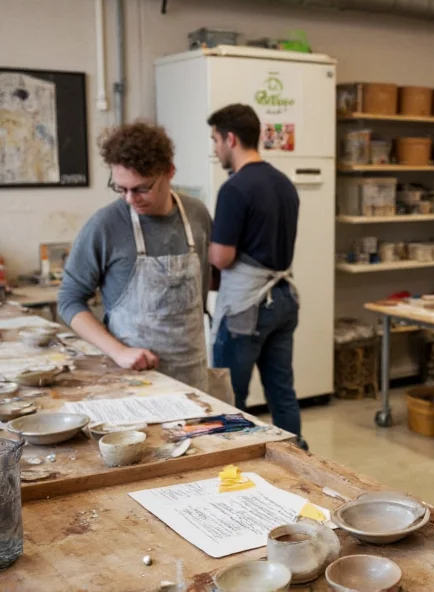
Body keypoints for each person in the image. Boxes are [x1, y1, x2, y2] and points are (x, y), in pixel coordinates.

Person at [58, 121, 213, 391]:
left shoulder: (196, 215)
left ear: (169, 172)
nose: (130, 199)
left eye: (141, 188)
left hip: (193, 376)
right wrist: (118, 351)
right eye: (120, 188)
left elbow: (201, 292)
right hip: (131, 379)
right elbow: (69, 300)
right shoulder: (105, 225)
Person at [207, 104, 307, 449]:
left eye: (215, 140)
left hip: (246, 307)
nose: (215, 149)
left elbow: (222, 257)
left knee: (229, 396)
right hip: (282, 300)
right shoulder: (284, 183)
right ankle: (296, 457)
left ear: (230, 139)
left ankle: (230, 459)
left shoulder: (234, 188)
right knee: (282, 392)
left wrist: (206, 248)